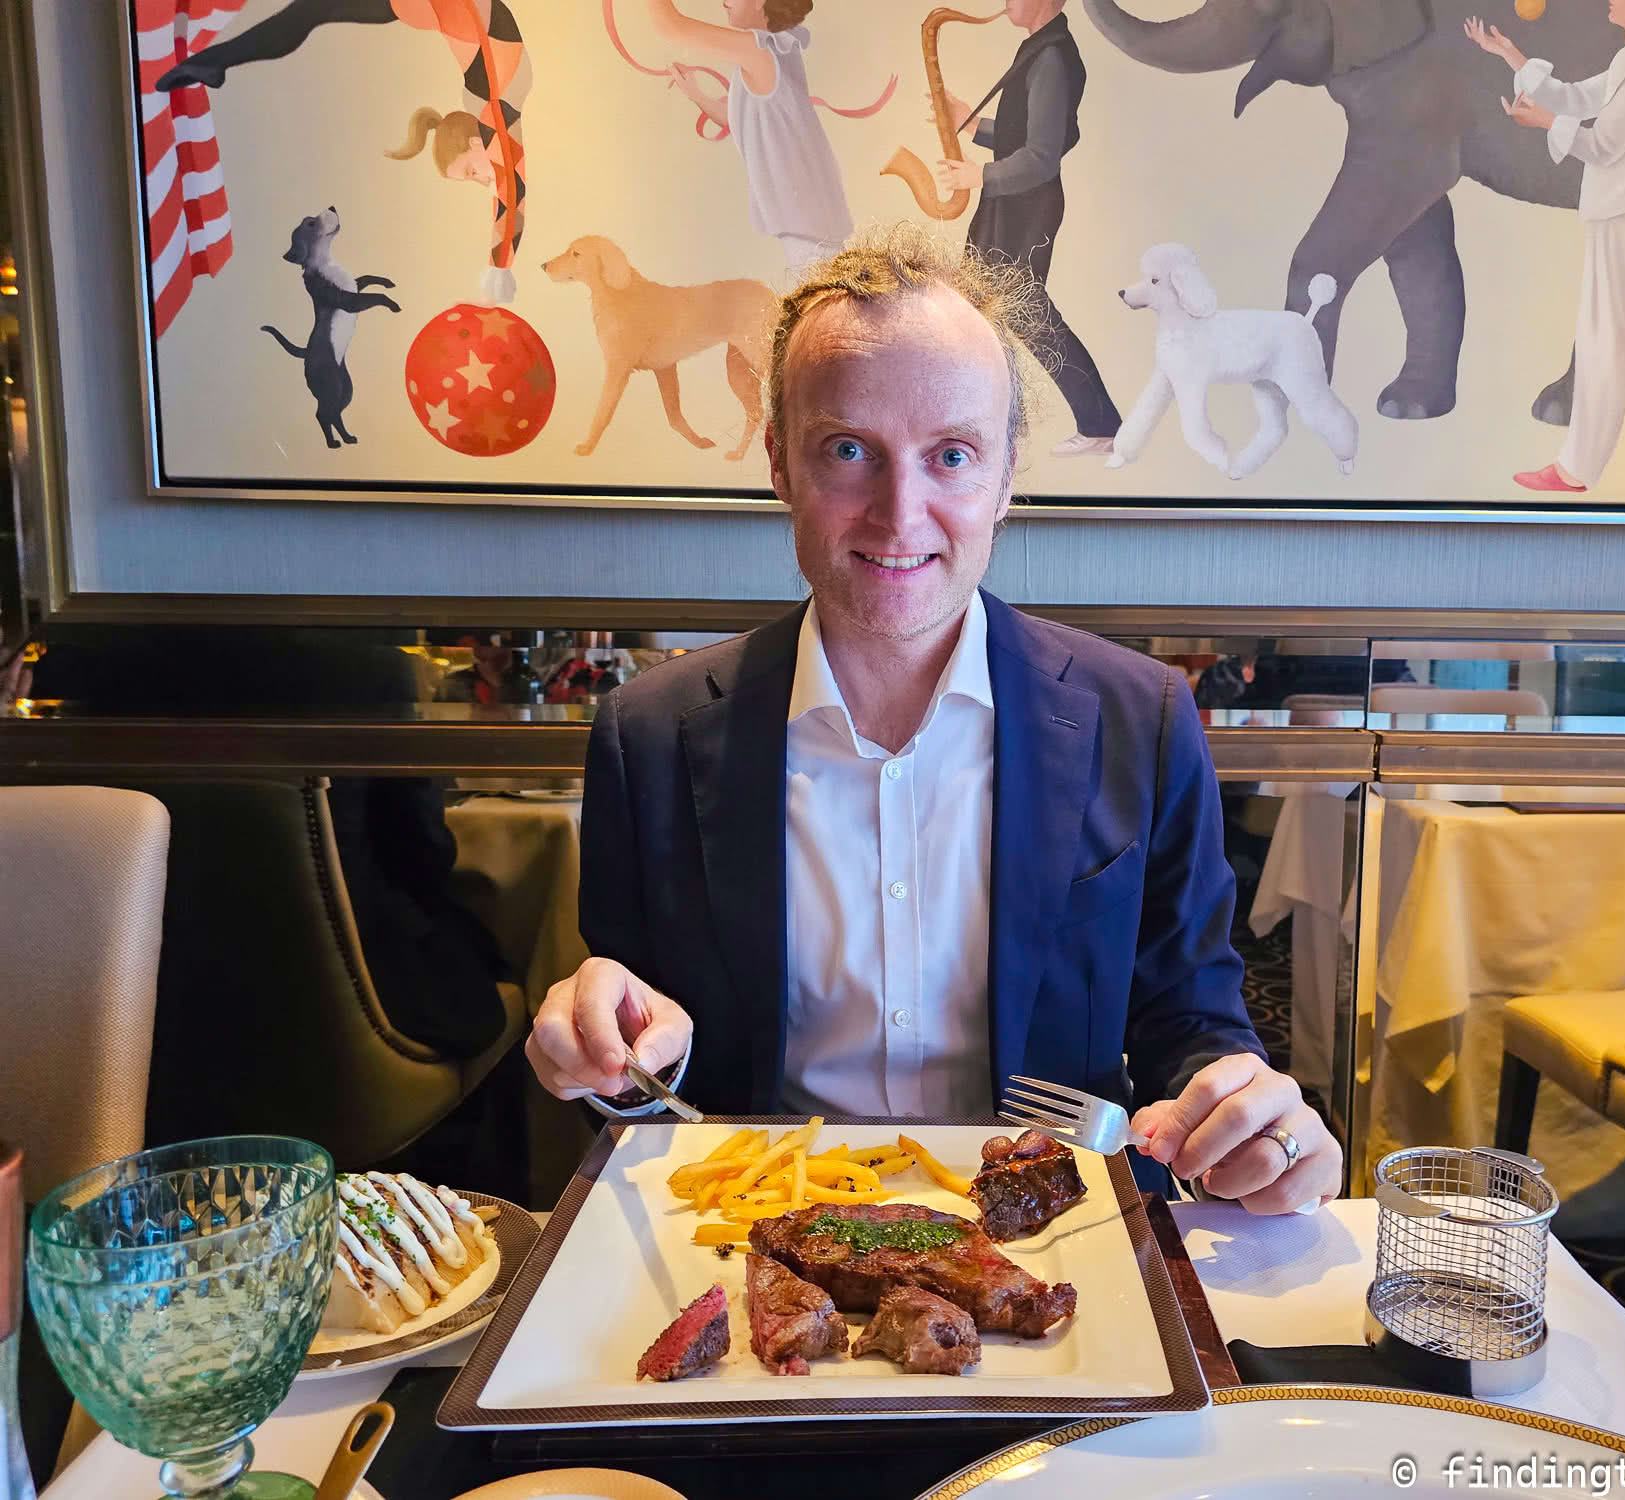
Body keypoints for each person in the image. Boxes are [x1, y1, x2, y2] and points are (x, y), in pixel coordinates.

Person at [527, 224, 1341, 1213]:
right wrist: (602, 1050)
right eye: (846, 451)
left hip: (1051, 1257)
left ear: (1004, 477)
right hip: (762, 1250)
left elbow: (1190, 1025)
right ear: (779, 461)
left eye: (949, 454)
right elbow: (636, 1085)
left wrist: (1253, 1120)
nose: (898, 513)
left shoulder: (1142, 719)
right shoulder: (645, 738)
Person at [1465, 0, 1625, 493]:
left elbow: (1603, 146)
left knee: (1602, 339)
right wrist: (1512, 55)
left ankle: (1574, 469)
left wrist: (1543, 124)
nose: (1610, 0)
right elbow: (1576, 98)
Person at [158, 0, 531, 304]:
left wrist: (499, 263)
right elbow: (512, 193)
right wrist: (500, 265)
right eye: (471, 172)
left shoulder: (493, 108)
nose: (483, 178)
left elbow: (508, 189)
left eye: (471, 176)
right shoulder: (498, 112)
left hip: (430, 8)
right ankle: (213, 63)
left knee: (312, 11)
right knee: (312, 11)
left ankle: (213, 63)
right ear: (472, 144)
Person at [934, 0, 1121, 458]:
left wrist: (980, 175)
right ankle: (975, 426)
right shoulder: (1042, 49)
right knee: (981, 311)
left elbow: (1042, 156)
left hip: (1025, 207)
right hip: (1012, 204)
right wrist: (975, 125)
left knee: (1026, 315)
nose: (1004, 3)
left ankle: (1101, 424)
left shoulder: (1053, 56)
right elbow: (1040, 134)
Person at [635, 0, 854, 279]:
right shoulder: (774, 52)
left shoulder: (760, 50)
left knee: (819, 305)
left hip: (808, 232)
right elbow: (740, 121)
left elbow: (670, 27)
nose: (723, 1)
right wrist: (697, 95)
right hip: (809, 226)